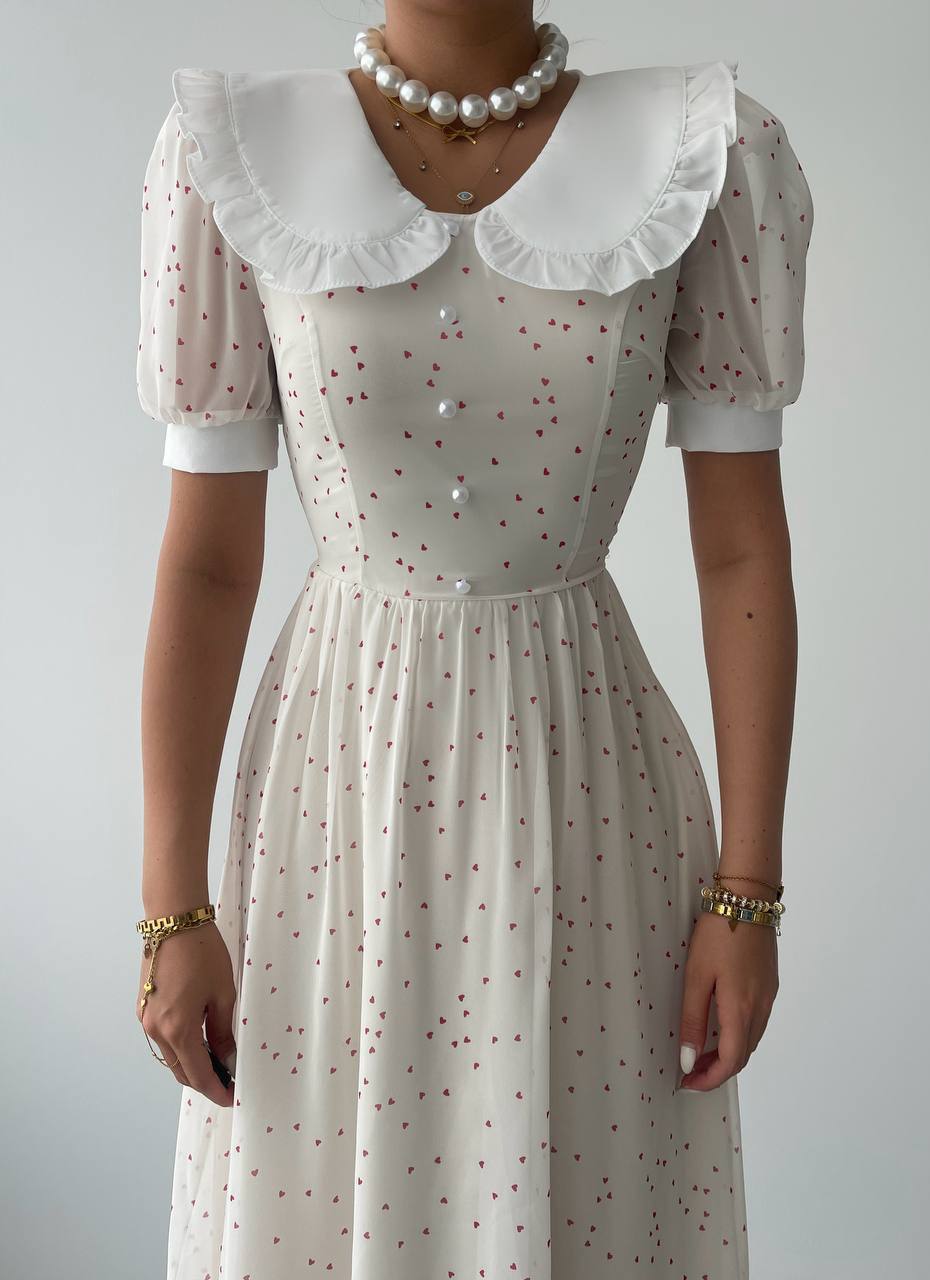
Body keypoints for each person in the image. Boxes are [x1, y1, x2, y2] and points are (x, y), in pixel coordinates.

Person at [134, 3, 812, 1276]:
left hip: (589, 792)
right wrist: (172, 906)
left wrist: (749, 887)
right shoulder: (227, 148)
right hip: (334, 791)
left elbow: (740, 549)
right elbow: (208, 562)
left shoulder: (708, 150)